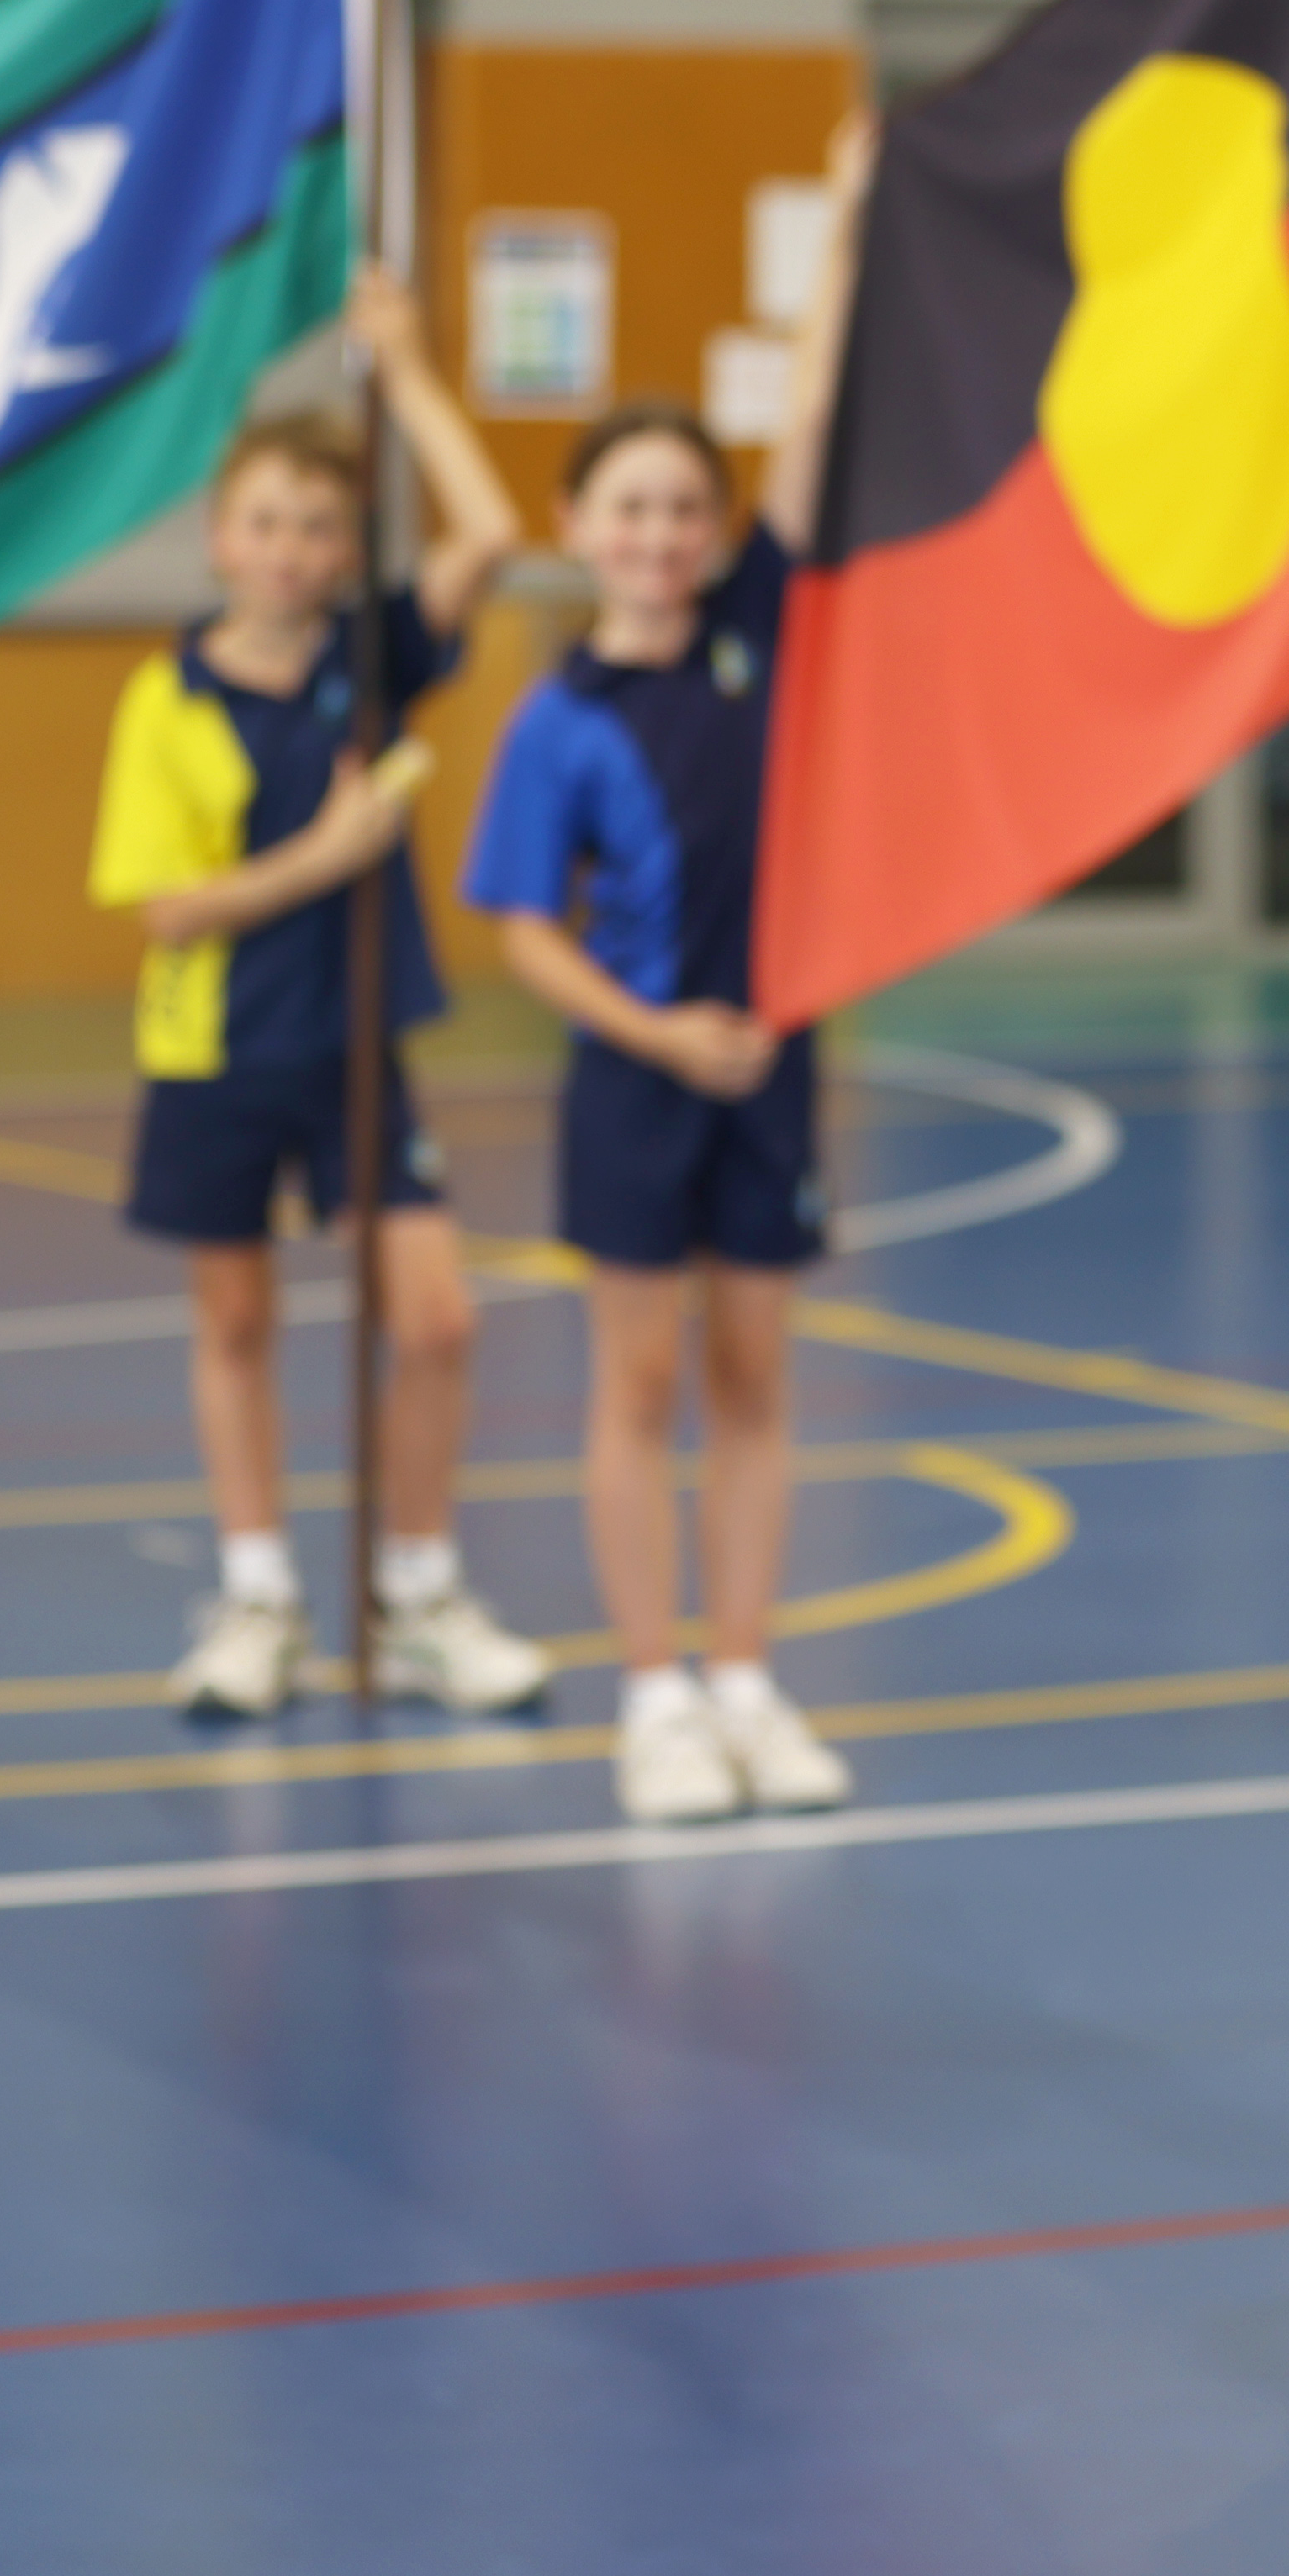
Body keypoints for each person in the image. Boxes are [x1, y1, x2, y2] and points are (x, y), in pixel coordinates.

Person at [89, 272, 547, 1720]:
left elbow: (491, 535)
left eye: (321, 529)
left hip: (358, 1052)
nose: (291, 551)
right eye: (268, 523)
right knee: (235, 1326)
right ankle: (258, 1595)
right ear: (222, 537)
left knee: (438, 1321)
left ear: (347, 554)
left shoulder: (371, 664)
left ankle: (414, 1589)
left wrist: (405, 372)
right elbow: (167, 905)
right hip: (219, 1047)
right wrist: (328, 853)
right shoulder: (163, 699)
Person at [462, 370, 851, 1829]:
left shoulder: (760, 637)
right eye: (630, 506)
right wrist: (661, 1036)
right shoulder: (559, 718)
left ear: (720, 526)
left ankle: (745, 1679)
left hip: (772, 1077)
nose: (660, 532)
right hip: (637, 1085)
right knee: (637, 1387)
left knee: (753, 1381)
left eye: (687, 506)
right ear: (577, 525)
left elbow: (808, 432)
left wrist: (858, 212)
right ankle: (654, 1697)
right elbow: (522, 931)